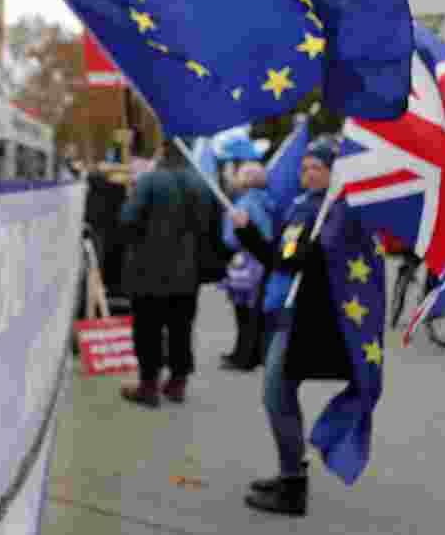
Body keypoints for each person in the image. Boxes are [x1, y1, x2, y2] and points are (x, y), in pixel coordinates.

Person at [230, 135, 369, 516]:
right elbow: (280, 257)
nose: (308, 173)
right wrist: (246, 231)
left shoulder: (339, 211)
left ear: (333, 172)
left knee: (275, 396)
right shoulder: (300, 206)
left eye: (318, 168)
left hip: (303, 319)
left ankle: (293, 487)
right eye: (305, 167)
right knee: (279, 396)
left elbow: (333, 263)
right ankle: (290, 471)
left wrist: (317, 252)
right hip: (279, 312)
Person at [117, 138, 218, 407]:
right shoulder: (201, 183)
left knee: (147, 330)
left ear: (162, 151)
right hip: (188, 272)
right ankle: (177, 383)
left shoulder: (149, 181)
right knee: (181, 329)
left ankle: (148, 386)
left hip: (148, 270)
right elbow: (211, 228)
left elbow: (128, 221)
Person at [219, 161, 273, 371]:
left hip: (245, 262)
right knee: (253, 312)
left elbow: (230, 239)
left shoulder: (244, 204)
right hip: (259, 262)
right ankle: (248, 353)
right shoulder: (267, 202)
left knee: (242, 313)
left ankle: (243, 356)